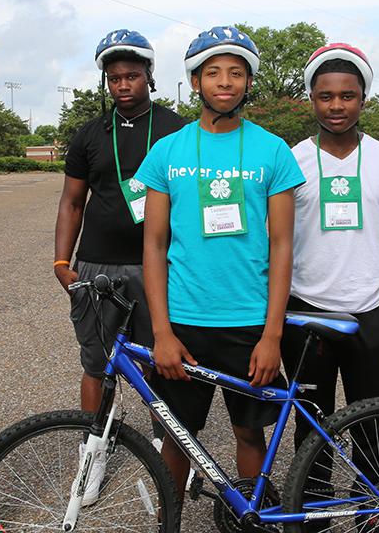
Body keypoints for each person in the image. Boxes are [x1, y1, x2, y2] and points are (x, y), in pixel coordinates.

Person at [134, 25, 305, 502]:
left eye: (236, 73)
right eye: (213, 73)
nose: (225, 82)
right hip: (184, 321)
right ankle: (169, 517)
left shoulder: (273, 150)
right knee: (177, 436)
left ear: (249, 82)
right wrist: (162, 331)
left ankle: (246, 514)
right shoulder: (167, 151)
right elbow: (153, 245)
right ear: (195, 83)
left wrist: (272, 335)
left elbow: (283, 245)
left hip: (249, 322)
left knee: (250, 434)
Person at [53, 29, 185, 505]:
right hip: (97, 264)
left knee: (161, 362)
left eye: (132, 75)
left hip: (160, 265)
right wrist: (61, 261)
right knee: (98, 362)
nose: (123, 84)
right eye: (114, 78)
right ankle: (94, 450)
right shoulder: (89, 134)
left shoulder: (177, 129)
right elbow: (71, 202)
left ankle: (162, 449)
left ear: (150, 76)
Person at [281, 42, 379, 456]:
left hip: (370, 314)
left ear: (363, 98)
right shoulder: (291, 161)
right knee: (311, 428)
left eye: (347, 95)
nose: (336, 105)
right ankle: (312, 516)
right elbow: (278, 241)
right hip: (305, 312)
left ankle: (368, 517)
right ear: (311, 99)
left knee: (371, 426)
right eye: (325, 96)